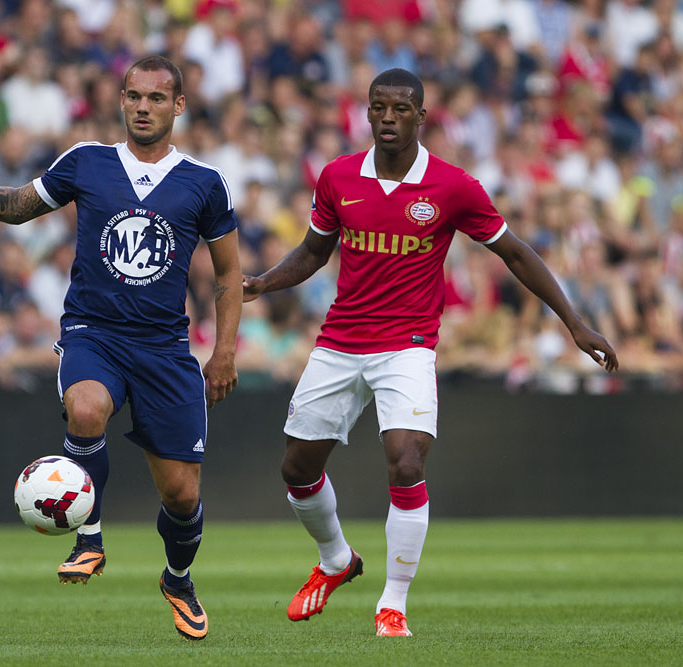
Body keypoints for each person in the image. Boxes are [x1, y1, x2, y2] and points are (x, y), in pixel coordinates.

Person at [242, 68, 618, 638]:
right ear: (366, 113)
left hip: (408, 346)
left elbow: (514, 254)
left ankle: (393, 603)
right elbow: (314, 251)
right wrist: (264, 283)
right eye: (378, 107)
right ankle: (337, 561)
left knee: (408, 462)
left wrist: (575, 322)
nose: (388, 117)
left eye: (400, 108)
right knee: (296, 469)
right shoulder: (339, 176)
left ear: (422, 116)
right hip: (341, 342)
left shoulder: (453, 186)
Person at [0, 55, 242, 641]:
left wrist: (225, 350)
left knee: (181, 495)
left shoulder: (205, 182)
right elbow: (16, 206)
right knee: (84, 409)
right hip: (93, 333)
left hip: (164, 347)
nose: (143, 107)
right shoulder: (87, 162)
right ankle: (89, 536)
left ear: (178, 105)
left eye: (157, 98)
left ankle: (178, 578)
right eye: (134, 96)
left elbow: (229, 275)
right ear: (121, 100)